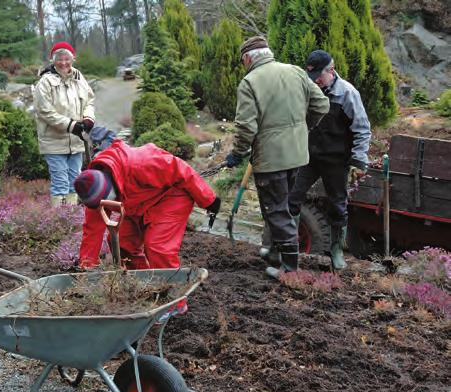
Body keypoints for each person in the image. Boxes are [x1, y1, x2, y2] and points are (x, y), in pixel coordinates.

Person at [225, 36, 329, 279]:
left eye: (243, 61)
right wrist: (304, 129)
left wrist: (237, 153)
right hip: (298, 155)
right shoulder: (295, 72)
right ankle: (274, 253)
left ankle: (290, 270)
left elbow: (246, 128)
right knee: (282, 208)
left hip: (271, 160)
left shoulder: (250, 82)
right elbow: (321, 105)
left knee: (276, 210)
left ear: (248, 58)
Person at [74, 139, 220, 269]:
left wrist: (209, 200)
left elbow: (182, 171)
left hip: (170, 197)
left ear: (111, 186)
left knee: (158, 247)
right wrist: (86, 266)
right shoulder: (90, 189)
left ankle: (171, 293)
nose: (106, 206)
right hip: (136, 205)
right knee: (121, 243)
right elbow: (92, 231)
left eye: (108, 200)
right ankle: (143, 284)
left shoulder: (142, 162)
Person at [288, 50, 371, 270]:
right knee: (292, 197)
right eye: (311, 75)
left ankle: (335, 251)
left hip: (336, 160)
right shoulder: (309, 89)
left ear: (331, 71)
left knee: (337, 205)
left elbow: (362, 129)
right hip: (308, 157)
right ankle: (289, 247)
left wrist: (358, 160)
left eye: (318, 75)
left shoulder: (347, 94)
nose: (314, 80)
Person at [33, 41, 95, 206]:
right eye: (59, 58)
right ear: (53, 60)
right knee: (60, 181)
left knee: (74, 181)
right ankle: (58, 219)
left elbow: (89, 101)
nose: (63, 62)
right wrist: (72, 125)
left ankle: (70, 221)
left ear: (72, 59)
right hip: (53, 141)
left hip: (76, 141)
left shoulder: (79, 77)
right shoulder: (44, 83)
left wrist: (88, 118)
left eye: (66, 58)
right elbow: (45, 112)